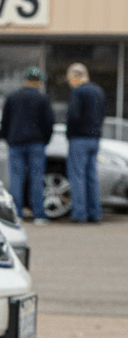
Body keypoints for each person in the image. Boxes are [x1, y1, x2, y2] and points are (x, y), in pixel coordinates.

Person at [0, 66, 55, 225]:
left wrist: (9, 138)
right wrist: (45, 140)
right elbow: (49, 122)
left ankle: (17, 214)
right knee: (37, 179)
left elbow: (5, 121)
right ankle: (39, 215)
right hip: (36, 143)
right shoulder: (42, 98)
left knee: (16, 179)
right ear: (39, 82)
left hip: (16, 143)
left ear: (25, 80)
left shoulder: (13, 97)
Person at [65, 63, 105, 223]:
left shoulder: (78, 92)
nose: (69, 82)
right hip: (94, 138)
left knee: (77, 176)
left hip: (79, 138)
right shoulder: (98, 91)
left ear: (75, 77)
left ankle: (79, 214)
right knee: (92, 176)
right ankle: (95, 213)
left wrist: (69, 135)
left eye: (70, 78)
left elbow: (73, 116)